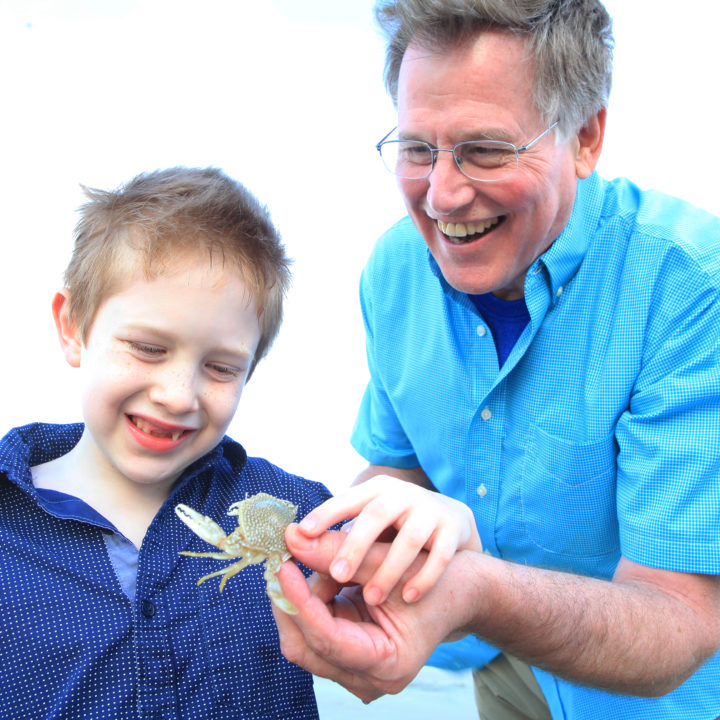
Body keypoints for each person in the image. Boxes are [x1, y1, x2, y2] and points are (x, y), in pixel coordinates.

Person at [273, 1, 720, 718]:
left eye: (485, 150)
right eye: (418, 149)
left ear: (586, 136)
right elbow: (404, 463)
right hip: (494, 661)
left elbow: (682, 618)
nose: (442, 197)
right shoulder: (396, 268)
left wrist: (475, 588)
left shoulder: (691, 291)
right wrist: (340, 561)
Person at [0, 167, 331, 719]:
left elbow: (401, 582)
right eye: (149, 348)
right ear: (73, 326)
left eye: (222, 367)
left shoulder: (305, 514)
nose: (179, 396)